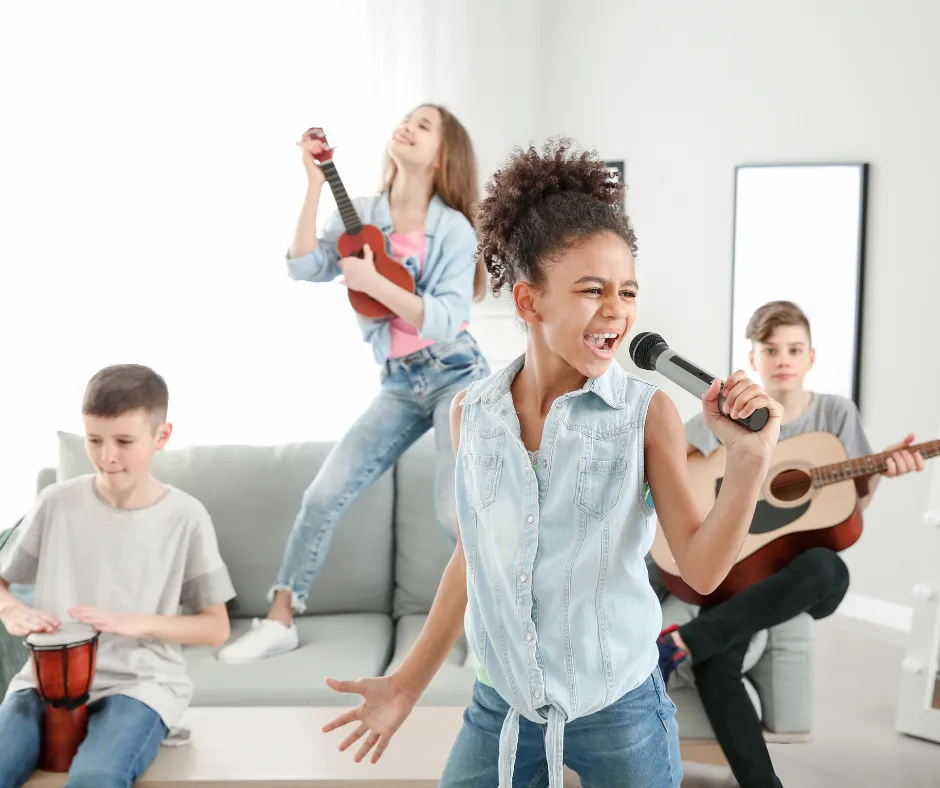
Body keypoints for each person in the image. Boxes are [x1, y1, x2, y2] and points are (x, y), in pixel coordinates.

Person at [318, 138, 783, 788]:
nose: (616, 311)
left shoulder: (642, 415)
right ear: (530, 303)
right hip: (501, 704)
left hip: (617, 706)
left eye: (627, 291)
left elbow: (703, 571)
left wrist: (748, 462)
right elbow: (473, 559)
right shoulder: (471, 414)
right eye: (592, 290)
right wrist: (404, 685)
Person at [217, 104, 490, 664]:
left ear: (444, 154)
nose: (407, 126)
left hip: (456, 375)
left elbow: (445, 318)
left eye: (424, 124)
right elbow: (302, 265)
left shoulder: (455, 230)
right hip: (398, 380)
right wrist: (313, 185)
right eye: (406, 118)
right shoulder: (362, 213)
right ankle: (280, 620)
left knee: (452, 512)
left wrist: (372, 283)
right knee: (322, 494)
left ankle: (486, 627)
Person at [655, 300, 926, 788]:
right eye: (771, 349)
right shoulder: (736, 412)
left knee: (829, 568)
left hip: (793, 576)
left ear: (811, 358)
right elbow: (683, 470)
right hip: (737, 569)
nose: (783, 359)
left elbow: (850, 508)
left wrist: (882, 472)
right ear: (753, 358)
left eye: (794, 349)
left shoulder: (834, 414)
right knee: (718, 664)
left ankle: (686, 640)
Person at [0, 364, 235, 788]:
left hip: (140, 684)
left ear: (161, 436)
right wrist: (11, 608)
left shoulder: (186, 517)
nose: (107, 456)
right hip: (41, 682)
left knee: (96, 777)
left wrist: (135, 622)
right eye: (94, 440)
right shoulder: (56, 503)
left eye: (124, 441)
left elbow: (216, 629)